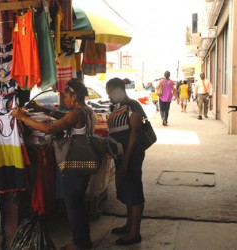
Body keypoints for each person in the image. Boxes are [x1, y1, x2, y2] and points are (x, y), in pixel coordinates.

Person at [12, 79, 95, 249]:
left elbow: (50, 129)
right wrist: (43, 110)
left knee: (72, 206)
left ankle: (78, 243)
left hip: (74, 165)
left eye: (66, 96)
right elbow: (63, 118)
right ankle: (84, 241)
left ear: (75, 96)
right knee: (78, 204)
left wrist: (23, 118)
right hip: (83, 165)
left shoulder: (76, 113)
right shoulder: (85, 110)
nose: (64, 99)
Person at [105, 77, 146, 246]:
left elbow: (135, 134)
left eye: (110, 93)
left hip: (132, 156)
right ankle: (129, 225)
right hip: (122, 156)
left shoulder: (133, 106)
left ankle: (134, 233)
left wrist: (126, 160)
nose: (109, 97)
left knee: (134, 192)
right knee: (128, 190)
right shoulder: (119, 107)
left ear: (118, 90)